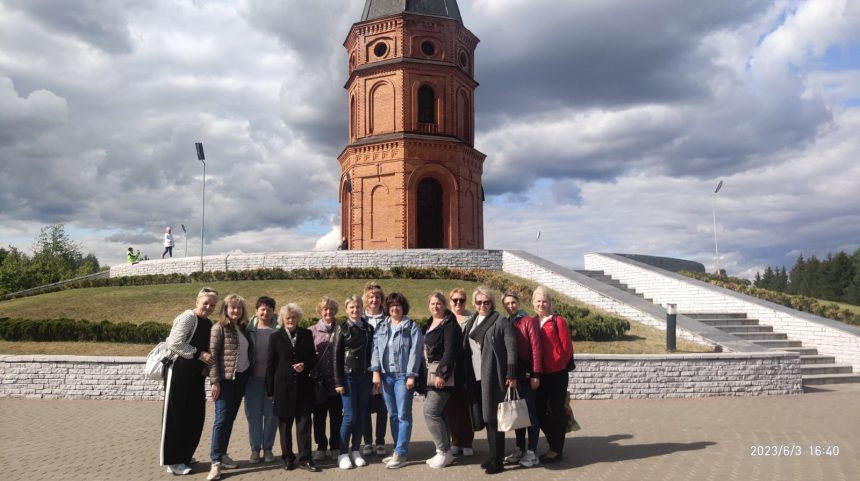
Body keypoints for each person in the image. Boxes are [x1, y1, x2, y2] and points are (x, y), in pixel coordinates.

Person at [160, 287, 218, 476]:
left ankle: (184, 455)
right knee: (176, 418)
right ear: (197, 301)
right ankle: (172, 460)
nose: (208, 307)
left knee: (193, 417)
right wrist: (198, 354)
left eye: (212, 304)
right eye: (205, 303)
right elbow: (174, 343)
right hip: (178, 374)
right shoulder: (188, 318)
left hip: (195, 377)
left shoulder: (208, 322)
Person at [461, 286, 517, 475]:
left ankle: (498, 460)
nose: (482, 305)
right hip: (475, 376)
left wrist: (511, 375)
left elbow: (511, 349)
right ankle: (493, 455)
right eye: (479, 302)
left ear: (492, 303)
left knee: (494, 419)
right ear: (474, 303)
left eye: (486, 302)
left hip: (493, 376)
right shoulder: (472, 321)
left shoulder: (500, 321)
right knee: (486, 417)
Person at [370, 292, 423, 469]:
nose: (395, 308)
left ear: (403, 307)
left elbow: (415, 352)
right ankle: (397, 450)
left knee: (403, 414)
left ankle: (400, 453)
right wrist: (376, 372)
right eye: (391, 305)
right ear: (388, 308)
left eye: (398, 305)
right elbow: (375, 349)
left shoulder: (411, 327)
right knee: (392, 414)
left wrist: (411, 375)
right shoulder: (382, 326)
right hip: (386, 376)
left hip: (402, 377)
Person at [267, 303, 320, 472]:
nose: (291, 320)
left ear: (298, 318)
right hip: (282, 387)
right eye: (287, 318)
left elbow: (313, 358)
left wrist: (304, 365)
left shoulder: (306, 334)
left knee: (304, 424)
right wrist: (270, 390)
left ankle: (305, 459)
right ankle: (288, 458)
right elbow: (270, 364)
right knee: (285, 425)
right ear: (283, 319)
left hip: (303, 386)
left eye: (294, 317)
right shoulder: (275, 337)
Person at [207, 294, 252, 481]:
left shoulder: (242, 328)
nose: (236, 311)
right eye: (232, 307)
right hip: (225, 381)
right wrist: (215, 381)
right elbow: (213, 356)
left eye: (239, 308)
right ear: (225, 309)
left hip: (240, 379)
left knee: (230, 419)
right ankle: (215, 462)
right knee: (221, 420)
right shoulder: (219, 328)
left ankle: (223, 455)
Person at [531, 286, 574, 464]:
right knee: (539, 411)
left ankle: (557, 450)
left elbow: (567, 349)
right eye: (538, 301)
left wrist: (557, 364)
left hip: (557, 374)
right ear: (533, 302)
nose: (542, 304)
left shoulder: (558, 321)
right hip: (539, 375)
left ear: (549, 303)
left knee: (557, 412)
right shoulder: (532, 321)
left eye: (545, 301)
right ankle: (553, 443)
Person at [501, 291, 542, 468]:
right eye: (507, 303)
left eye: (513, 302)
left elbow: (536, 349)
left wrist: (535, 374)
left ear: (519, 302)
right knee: (518, 412)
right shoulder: (507, 322)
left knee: (531, 412)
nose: (511, 306)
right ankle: (519, 448)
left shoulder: (528, 321)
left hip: (527, 373)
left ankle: (532, 451)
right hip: (514, 374)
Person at [333, 296, 374, 469]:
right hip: (348, 377)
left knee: (362, 415)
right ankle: (343, 453)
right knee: (349, 416)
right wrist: (338, 382)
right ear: (346, 309)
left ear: (362, 308)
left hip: (364, 376)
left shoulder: (368, 328)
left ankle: (355, 449)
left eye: (358, 306)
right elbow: (336, 357)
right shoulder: (342, 328)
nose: (355, 310)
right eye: (351, 307)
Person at [422, 291, 462, 469]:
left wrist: (442, 374)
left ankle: (443, 451)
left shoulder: (450, 325)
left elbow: (450, 351)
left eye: (438, 303)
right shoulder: (430, 323)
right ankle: (445, 452)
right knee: (441, 413)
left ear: (445, 305)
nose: (435, 307)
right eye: (432, 304)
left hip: (443, 376)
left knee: (430, 411)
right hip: (430, 374)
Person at [244, 296, 281, 464]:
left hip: (273, 379)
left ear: (274, 311)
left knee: (271, 415)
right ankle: (254, 449)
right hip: (252, 379)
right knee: (253, 415)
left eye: (269, 309)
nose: (265, 312)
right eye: (262, 309)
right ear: (257, 310)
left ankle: (268, 449)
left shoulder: (279, 329)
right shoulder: (248, 328)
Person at [310, 297, 342, 461]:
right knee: (319, 418)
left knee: (337, 417)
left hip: (337, 383)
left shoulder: (342, 329)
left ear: (335, 310)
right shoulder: (312, 331)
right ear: (320, 311)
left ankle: (335, 446)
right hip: (319, 384)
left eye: (331, 309)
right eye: (325, 309)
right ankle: (321, 446)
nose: (328, 312)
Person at [444, 287, 475, 457]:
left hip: (467, 369)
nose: (458, 303)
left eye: (461, 300)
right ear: (450, 302)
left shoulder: (472, 319)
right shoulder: (446, 319)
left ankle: (467, 441)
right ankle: (455, 440)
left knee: (467, 407)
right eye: (455, 300)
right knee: (452, 408)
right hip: (450, 369)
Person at [361, 282, 388, 456]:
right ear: (366, 299)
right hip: (364, 368)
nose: (374, 300)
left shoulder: (387, 318)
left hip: (384, 368)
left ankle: (380, 441)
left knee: (382, 407)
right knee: (364, 406)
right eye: (371, 297)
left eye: (377, 297)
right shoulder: (360, 318)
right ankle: (367, 442)